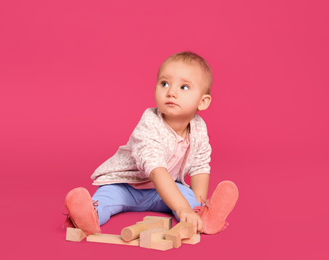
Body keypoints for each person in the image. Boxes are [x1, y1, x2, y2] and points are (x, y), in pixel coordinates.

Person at [64, 51, 238, 236]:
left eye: (184, 87)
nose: (171, 92)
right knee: (106, 198)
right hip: (127, 186)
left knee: (187, 200)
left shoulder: (199, 127)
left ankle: (204, 216)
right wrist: (181, 209)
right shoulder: (150, 123)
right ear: (155, 89)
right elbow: (156, 169)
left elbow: (200, 166)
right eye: (164, 84)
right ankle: (88, 216)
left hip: (163, 191)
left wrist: (195, 204)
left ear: (203, 102)